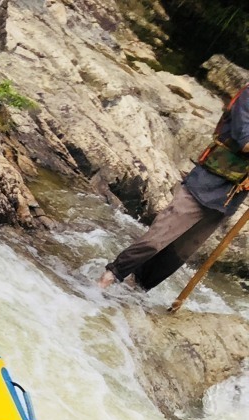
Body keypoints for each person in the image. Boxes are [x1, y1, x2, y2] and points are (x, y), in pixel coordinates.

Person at [100, 85, 249, 291]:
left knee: (178, 255)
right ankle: (109, 277)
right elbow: (245, 140)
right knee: (156, 240)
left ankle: (135, 291)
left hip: (229, 198)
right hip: (204, 184)